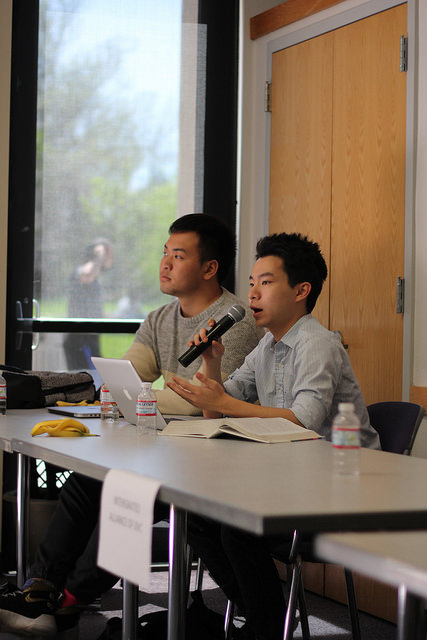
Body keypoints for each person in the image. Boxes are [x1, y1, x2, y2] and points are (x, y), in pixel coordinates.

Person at [0, 214, 261, 638]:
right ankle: (41, 587)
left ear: (210, 268)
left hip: (217, 462)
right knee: (87, 480)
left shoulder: (235, 323)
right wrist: (127, 395)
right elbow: (123, 375)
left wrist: (135, 399)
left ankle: (67, 602)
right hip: (169, 450)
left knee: (129, 496)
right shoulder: (160, 318)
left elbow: (203, 400)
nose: (165, 264)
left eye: (179, 256)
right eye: (165, 253)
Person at [168, 232, 381, 640]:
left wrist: (226, 403)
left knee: (237, 526)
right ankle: (268, 616)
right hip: (289, 482)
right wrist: (211, 363)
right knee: (198, 516)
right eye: (251, 282)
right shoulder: (267, 346)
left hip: (341, 490)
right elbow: (217, 407)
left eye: (265, 282)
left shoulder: (318, 344)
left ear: (301, 291)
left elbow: (303, 422)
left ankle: (266, 623)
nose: (253, 293)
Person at [63, 238, 114, 370]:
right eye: (108, 254)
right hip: (80, 340)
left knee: (95, 379)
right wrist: (99, 255)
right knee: (87, 380)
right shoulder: (82, 271)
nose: (110, 259)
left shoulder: (96, 279)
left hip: (89, 337)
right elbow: (86, 275)